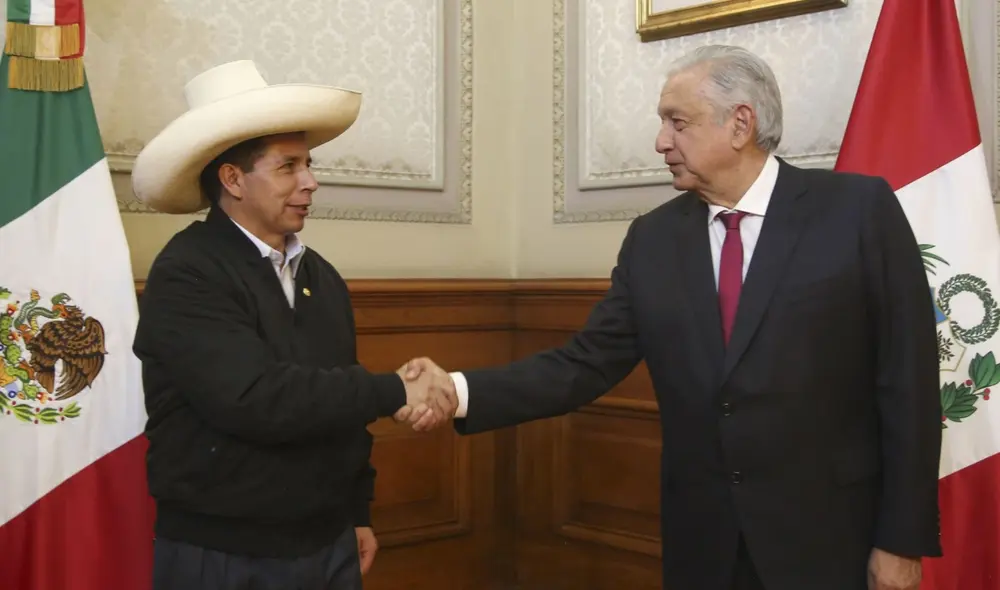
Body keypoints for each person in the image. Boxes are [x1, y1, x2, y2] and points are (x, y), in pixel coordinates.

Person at [401, 45, 943, 590]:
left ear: (740, 124)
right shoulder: (654, 239)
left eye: (676, 122)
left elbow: (909, 384)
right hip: (704, 545)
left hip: (830, 542)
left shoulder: (855, 211)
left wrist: (902, 539)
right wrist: (457, 389)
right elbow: (584, 363)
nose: (661, 141)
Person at [131, 60, 456, 590]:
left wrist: (356, 512)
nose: (311, 181)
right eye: (288, 167)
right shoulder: (187, 271)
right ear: (232, 179)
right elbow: (256, 398)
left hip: (327, 541)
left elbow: (339, 406)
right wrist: (396, 388)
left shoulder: (320, 276)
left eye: (308, 163)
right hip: (226, 553)